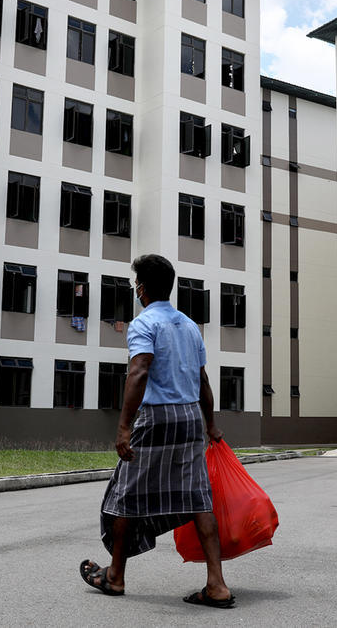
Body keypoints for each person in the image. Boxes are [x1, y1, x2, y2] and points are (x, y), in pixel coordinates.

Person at [80, 254, 235, 609]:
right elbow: (202, 380)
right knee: (199, 498)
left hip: (156, 418)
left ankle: (115, 576)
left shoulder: (144, 323)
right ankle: (217, 585)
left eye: (136, 285)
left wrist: (123, 428)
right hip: (190, 418)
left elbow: (139, 372)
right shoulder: (189, 326)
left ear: (143, 289)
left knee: (124, 496)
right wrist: (210, 424)